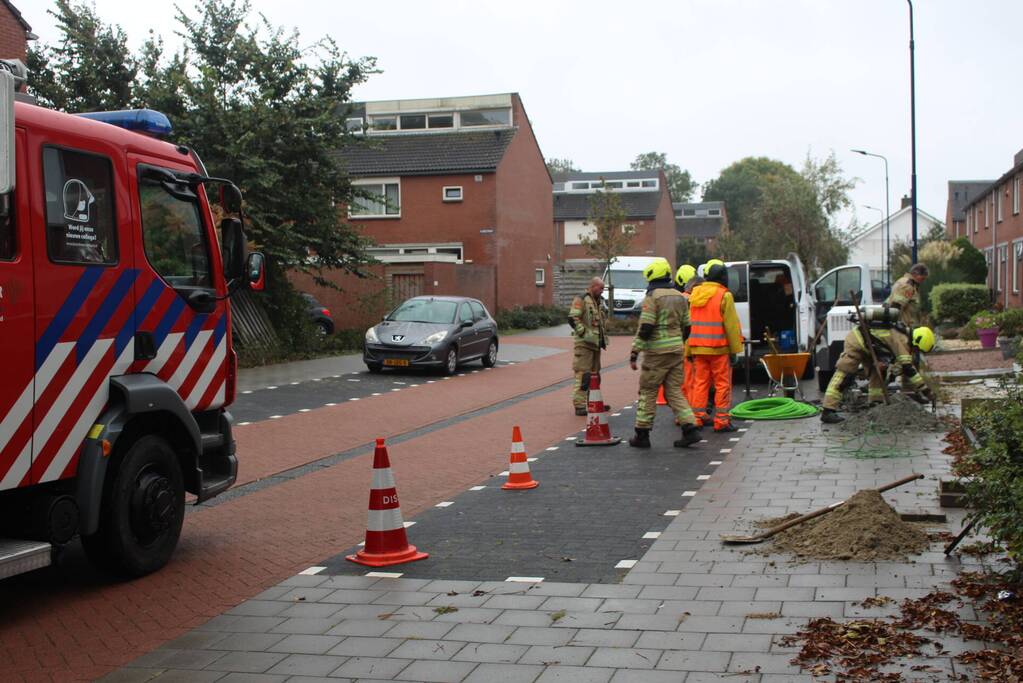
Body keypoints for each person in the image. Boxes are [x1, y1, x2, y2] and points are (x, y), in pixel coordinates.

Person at [628, 258, 701, 449]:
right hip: (676, 350)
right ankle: (690, 429)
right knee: (675, 391)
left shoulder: (653, 297)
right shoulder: (679, 296)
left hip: (656, 353)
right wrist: (679, 343)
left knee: (648, 391)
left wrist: (635, 352)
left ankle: (642, 435)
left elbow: (646, 326)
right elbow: (687, 326)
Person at [820, 325, 935, 424]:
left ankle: (875, 403)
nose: (915, 351)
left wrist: (891, 373)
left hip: (870, 347)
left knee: (878, 373)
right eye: (916, 349)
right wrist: (926, 391)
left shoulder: (903, 336)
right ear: (917, 341)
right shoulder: (902, 341)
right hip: (857, 340)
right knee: (845, 372)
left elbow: (901, 364)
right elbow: (909, 369)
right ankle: (828, 411)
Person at [687, 263, 743, 432]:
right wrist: (735, 350)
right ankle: (722, 421)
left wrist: (688, 350)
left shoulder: (695, 294)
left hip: (697, 348)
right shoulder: (724, 295)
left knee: (700, 383)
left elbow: (688, 324)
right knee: (722, 384)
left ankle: (697, 417)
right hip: (718, 349)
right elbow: (731, 326)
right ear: (722, 277)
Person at [569, 277, 609, 416]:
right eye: (600, 288)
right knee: (584, 376)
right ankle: (579, 406)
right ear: (592, 286)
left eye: (603, 288)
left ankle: (595, 402)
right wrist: (584, 333)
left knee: (595, 376)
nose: (602, 290)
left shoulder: (598, 301)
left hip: (595, 345)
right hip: (584, 345)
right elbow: (573, 318)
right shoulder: (581, 299)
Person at [886, 263, 929, 327]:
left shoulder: (904, 281)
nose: (923, 281)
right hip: (904, 324)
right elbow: (896, 305)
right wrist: (897, 324)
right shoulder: (908, 285)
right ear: (915, 274)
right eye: (922, 278)